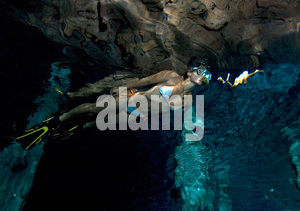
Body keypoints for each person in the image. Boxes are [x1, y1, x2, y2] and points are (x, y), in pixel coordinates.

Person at [16, 59, 212, 149]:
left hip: (137, 115)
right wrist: (124, 87)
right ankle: (56, 120)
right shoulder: (170, 77)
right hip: (131, 100)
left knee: (98, 124)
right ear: (191, 71)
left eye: (206, 74)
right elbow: (144, 81)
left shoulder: (189, 100)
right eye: (201, 70)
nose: (204, 75)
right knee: (93, 108)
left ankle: (77, 128)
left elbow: (164, 113)